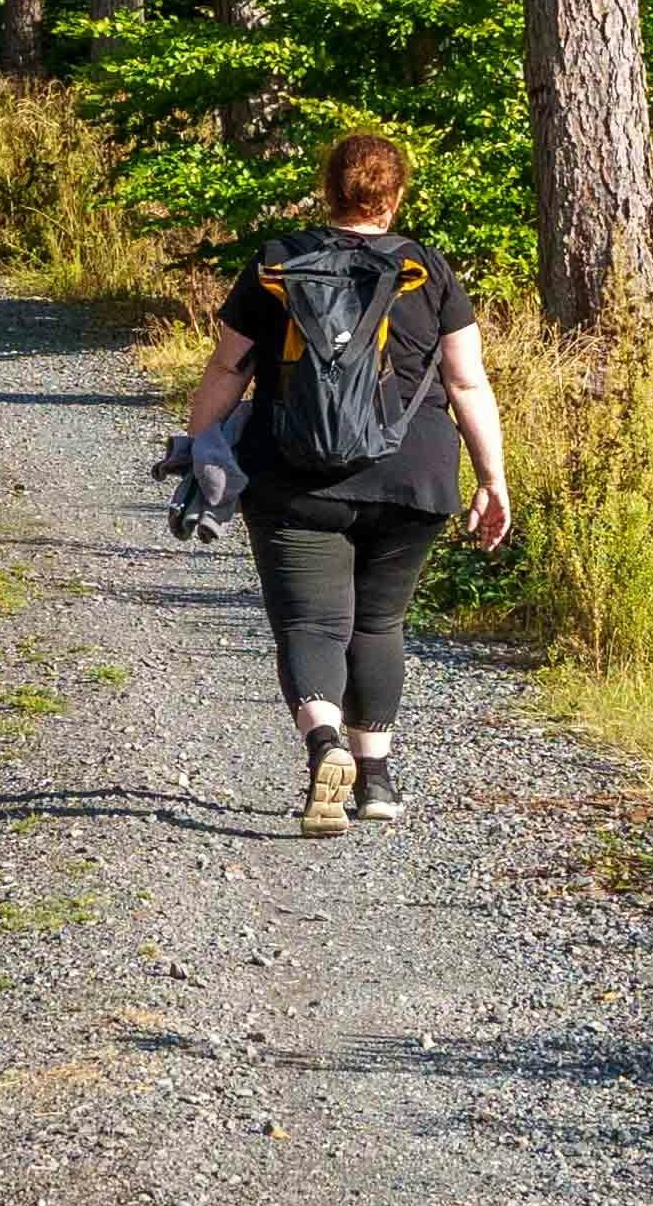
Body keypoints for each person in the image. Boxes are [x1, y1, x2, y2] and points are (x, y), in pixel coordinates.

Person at [170, 125, 514, 834]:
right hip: (412, 473)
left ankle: (325, 745)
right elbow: (466, 379)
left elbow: (228, 368)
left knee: (310, 623)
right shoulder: (427, 267)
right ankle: (378, 780)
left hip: (295, 476)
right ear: (394, 198)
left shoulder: (276, 263)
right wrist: (491, 476)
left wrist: (199, 442)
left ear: (328, 190)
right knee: (380, 623)